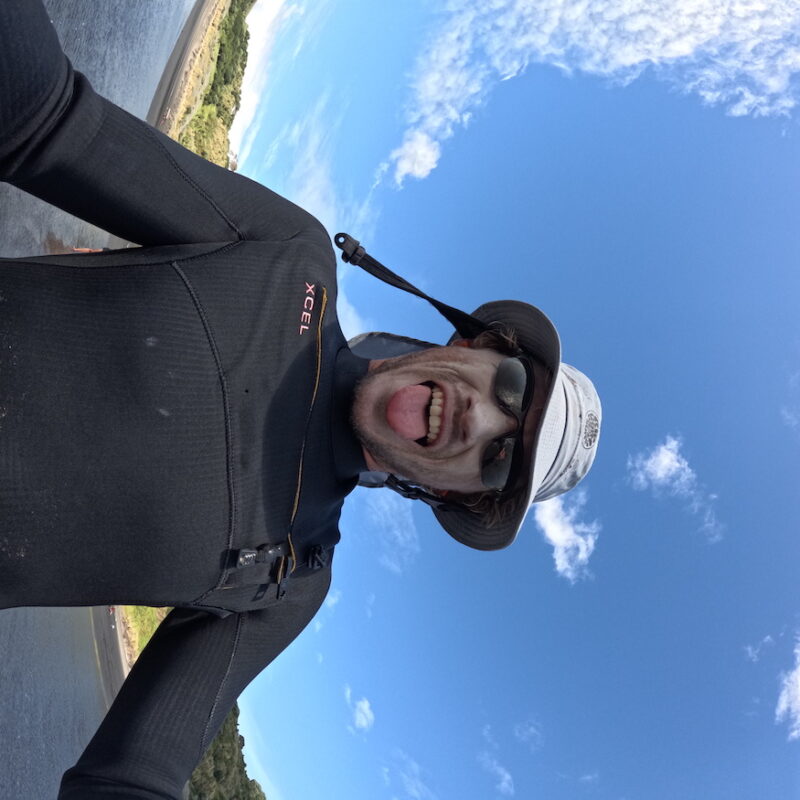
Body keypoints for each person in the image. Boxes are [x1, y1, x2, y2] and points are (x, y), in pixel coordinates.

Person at [0, 2, 601, 797]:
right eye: (511, 387)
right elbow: (47, 125)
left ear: (456, 496)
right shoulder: (294, 255)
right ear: (473, 344)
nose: (478, 419)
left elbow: (135, 777)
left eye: (497, 460)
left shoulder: (291, 579)